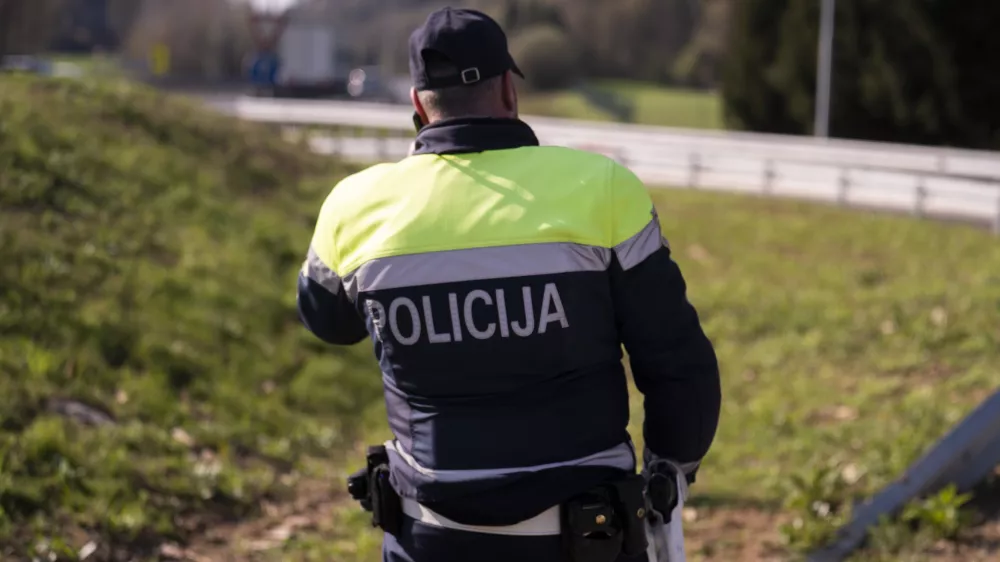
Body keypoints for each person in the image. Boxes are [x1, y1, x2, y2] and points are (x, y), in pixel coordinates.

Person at [296, 7, 722, 562]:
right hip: (589, 541)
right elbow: (679, 363)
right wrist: (669, 471)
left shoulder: (354, 205)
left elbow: (326, 320)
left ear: (418, 105)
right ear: (508, 91)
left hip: (428, 540)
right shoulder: (604, 188)